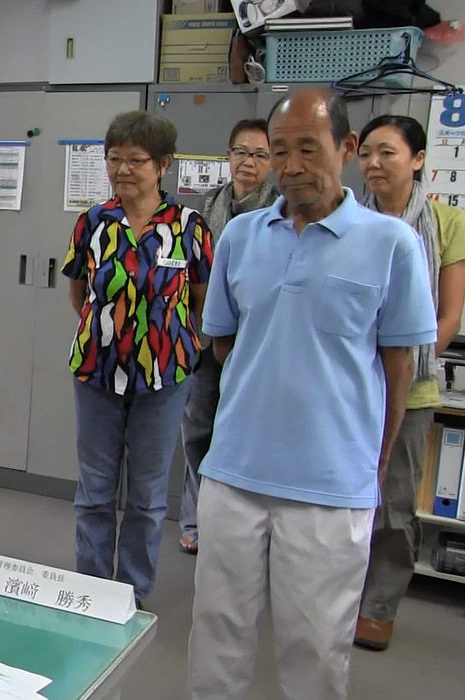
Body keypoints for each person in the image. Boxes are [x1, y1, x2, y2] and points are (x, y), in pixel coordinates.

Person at [188, 89, 437, 700]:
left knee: (316, 649)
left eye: (308, 148)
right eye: (279, 151)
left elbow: (398, 366)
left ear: (346, 149)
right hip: (233, 478)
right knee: (216, 636)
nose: (292, 165)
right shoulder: (242, 237)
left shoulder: (391, 244)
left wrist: (372, 460)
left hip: (329, 488)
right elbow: (224, 343)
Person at [60, 111, 212, 605]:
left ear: (163, 164)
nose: (122, 169)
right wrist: (111, 331)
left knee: (147, 498)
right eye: (114, 159)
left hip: (164, 379)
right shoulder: (93, 222)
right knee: (95, 492)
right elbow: (79, 292)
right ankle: (89, 590)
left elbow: (201, 300)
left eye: (136, 160)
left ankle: (131, 594)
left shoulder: (190, 226)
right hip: (97, 371)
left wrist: (167, 342)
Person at [354, 114, 465, 650]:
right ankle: (338, 594)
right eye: (367, 153)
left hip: (412, 387)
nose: (374, 163)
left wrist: (403, 360)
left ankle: (378, 607)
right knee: (343, 494)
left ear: (418, 160)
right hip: (351, 382)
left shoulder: (444, 223)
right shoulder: (348, 220)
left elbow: (448, 315)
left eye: (388, 153)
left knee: (394, 501)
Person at [178, 119, 278, 555]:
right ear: (228, 156)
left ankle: (246, 527)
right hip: (205, 338)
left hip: (258, 345)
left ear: (273, 162)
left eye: (259, 154)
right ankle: (196, 520)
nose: (248, 163)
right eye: (241, 152)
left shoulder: (282, 210)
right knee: (198, 431)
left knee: (250, 435)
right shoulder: (205, 209)